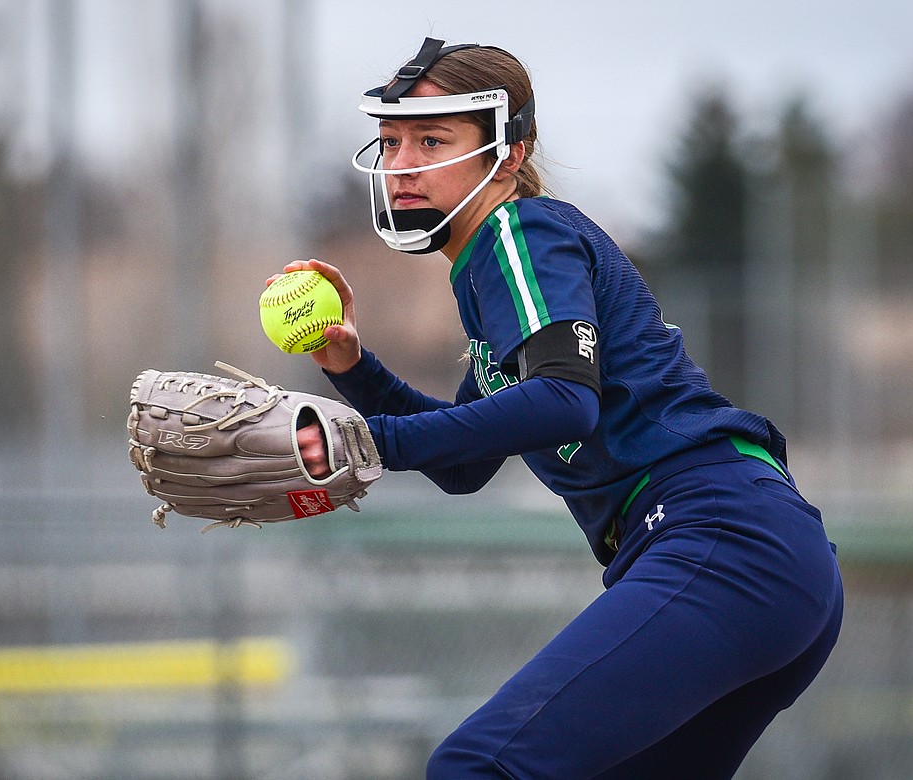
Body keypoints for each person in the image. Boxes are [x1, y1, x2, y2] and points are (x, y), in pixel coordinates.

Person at [274, 37, 843, 780]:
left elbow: (565, 406)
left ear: (507, 157)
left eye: (432, 138)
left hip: (718, 536)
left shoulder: (518, 233)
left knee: (476, 767)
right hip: (752, 554)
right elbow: (468, 465)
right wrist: (352, 368)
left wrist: (365, 442)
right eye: (391, 141)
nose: (402, 162)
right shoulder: (499, 271)